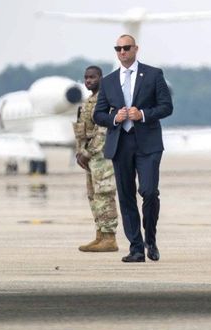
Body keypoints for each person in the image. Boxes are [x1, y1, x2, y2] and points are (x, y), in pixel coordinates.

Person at [93, 35, 173, 263]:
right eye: (118, 49)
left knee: (148, 191)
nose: (122, 52)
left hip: (148, 143)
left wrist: (143, 114)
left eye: (126, 48)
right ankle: (136, 247)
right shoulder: (108, 81)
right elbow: (97, 114)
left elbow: (167, 107)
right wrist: (114, 117)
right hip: (121, 143)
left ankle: (151, 238)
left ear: (135, 49)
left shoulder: (154, 74)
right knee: (126, 197)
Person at [73, 65, 119, 253]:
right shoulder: (89, 100)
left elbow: (104, 130)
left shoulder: (104, 99)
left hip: (101, 155)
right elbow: (84, 130)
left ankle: (110, 237)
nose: (88, 80)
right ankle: (100, 234)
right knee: (93, 196)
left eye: (92, 77)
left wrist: (88, 152)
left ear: (101, 78)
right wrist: (80, 151)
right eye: (86, 77)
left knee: (104, 194)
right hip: (90, 157)